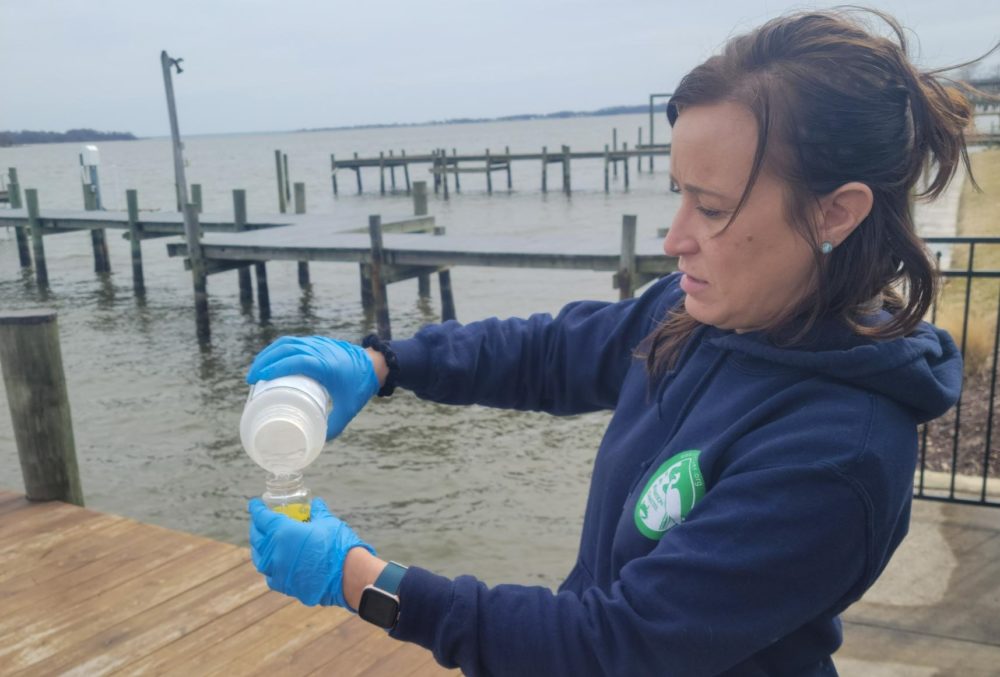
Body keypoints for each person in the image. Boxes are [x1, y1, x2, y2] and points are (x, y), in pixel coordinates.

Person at [246, 9, 979, 676]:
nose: (674, 238)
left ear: (835, 212)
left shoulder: (837, 454)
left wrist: (365, 581)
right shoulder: (697, 314)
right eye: (678, 193)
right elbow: (551, 352)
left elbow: (614, 647)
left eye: (712, 206)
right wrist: (382, 364)